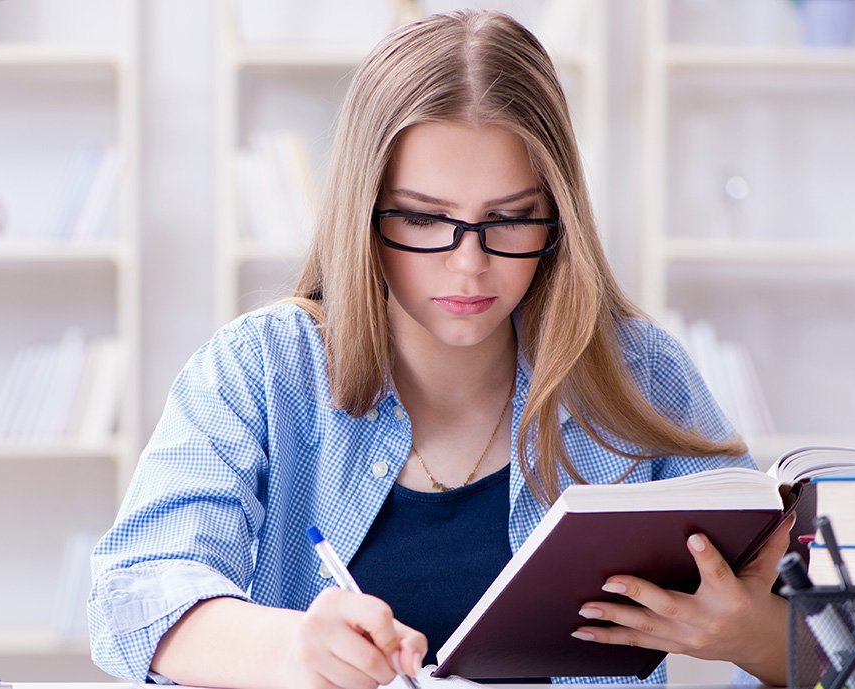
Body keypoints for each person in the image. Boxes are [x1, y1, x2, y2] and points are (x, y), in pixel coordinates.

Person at [88, 10, 792, 689]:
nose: (469, 265)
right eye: (424, 217)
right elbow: (131, 594)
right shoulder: (263, 368)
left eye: (511, 219)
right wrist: (293, 651)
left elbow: (844, 651)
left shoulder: (639, 373)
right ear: (363, 211)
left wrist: (750, 636)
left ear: (559, 214)